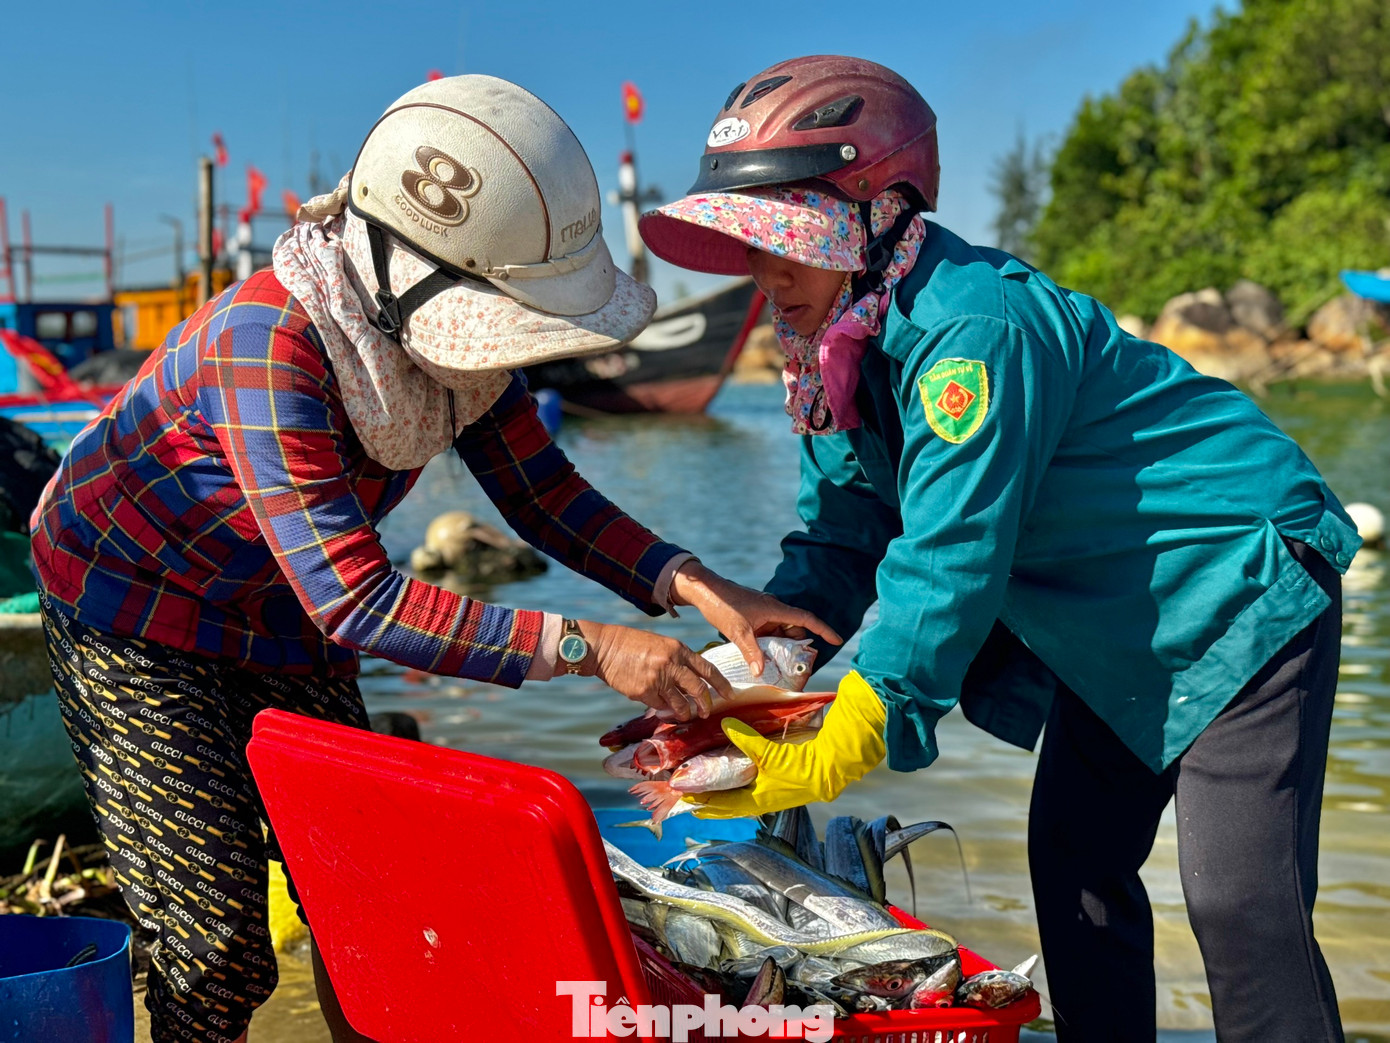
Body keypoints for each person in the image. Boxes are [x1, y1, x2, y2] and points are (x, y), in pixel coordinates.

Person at [30, 75, 835, 1043]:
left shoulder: (458, 366)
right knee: (215, 945)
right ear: (397, 269)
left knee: (364, 895)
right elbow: (358, 604)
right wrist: (591, 647)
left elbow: (545, 495)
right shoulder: (268, 343)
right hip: (136, 606)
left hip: (281, 614)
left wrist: (699, 584)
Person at [639, 55, 1357, 1042]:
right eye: (750, 249)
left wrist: (850, 733)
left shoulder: (972, 330)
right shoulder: (835, 354)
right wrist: (762, 669)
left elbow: (949, 561)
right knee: (1073, 866)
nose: (766, 277)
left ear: (875, 211)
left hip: (1237, 572)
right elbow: (845, 537)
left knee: (1239, 900)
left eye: (786, 242)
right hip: (1112, 620)